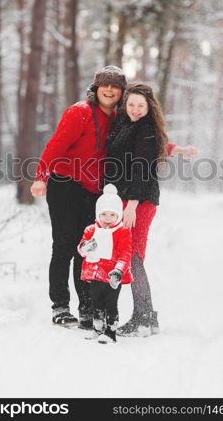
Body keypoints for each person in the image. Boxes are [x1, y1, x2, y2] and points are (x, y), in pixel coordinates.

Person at [30, 66, 127, 329]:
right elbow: (56, 145)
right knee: (64, 245)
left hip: (94, 191)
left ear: (121, 92)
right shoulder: (80, 112)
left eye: (115, 86)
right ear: (95, 89)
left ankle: (87, 307)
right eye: (104, 85)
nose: (109, 90)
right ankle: (60, 306)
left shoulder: (120, 118)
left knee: (87, 249)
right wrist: (41, 177)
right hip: (65, 183)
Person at [106, 82, 197, 337]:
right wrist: (175, 149)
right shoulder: (126, 123)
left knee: (133, 256)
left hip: (139, 201)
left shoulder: (145, 127)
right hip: (125, 198)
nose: (135, 109)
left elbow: (142, 164)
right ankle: (144, 317)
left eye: (140, 105)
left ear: (149, 107)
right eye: (131, 104)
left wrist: (133, 204)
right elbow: (147, 146)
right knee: (130, 256)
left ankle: (144, 317)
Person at [77, 184, 132, 344]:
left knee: (110, 304)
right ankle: (97, 328)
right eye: (104, 214)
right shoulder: (91, 230)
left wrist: (118, 270)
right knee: (96, 303)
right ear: (97, 214)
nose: (108, 219)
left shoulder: (122, 232)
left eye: (112, 215)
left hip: (112, 277)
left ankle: (110, 332)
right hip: (95, 275)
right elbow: (81, 249)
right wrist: (86, 247)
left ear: (119, 215)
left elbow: (126, 253)